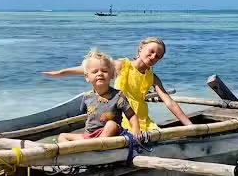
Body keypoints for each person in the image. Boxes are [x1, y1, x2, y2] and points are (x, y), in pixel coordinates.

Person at [43, 36, 193, 132]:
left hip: (142, 121)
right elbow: (92, 68)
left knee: (157, 137)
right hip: (121, 116)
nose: (153, 57)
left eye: (158, 56)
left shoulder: (153, 78)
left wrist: (189, 125)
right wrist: (61, 72)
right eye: (151, 51)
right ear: (141, 48)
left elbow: (169, 102)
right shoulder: (123, 65)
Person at [56, 49, 141, 143]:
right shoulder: (87, 96)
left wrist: (136, 129)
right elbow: (86, 114)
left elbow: (131, 115)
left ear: (112, 75)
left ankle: (95, 145)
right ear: (87, 77)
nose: (100, 73)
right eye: (95, 71)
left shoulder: (118, 95)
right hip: (90, 135)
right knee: (62, 136)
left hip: (112, 134)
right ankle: (76, 149)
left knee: (111, 124)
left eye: (104, 71)